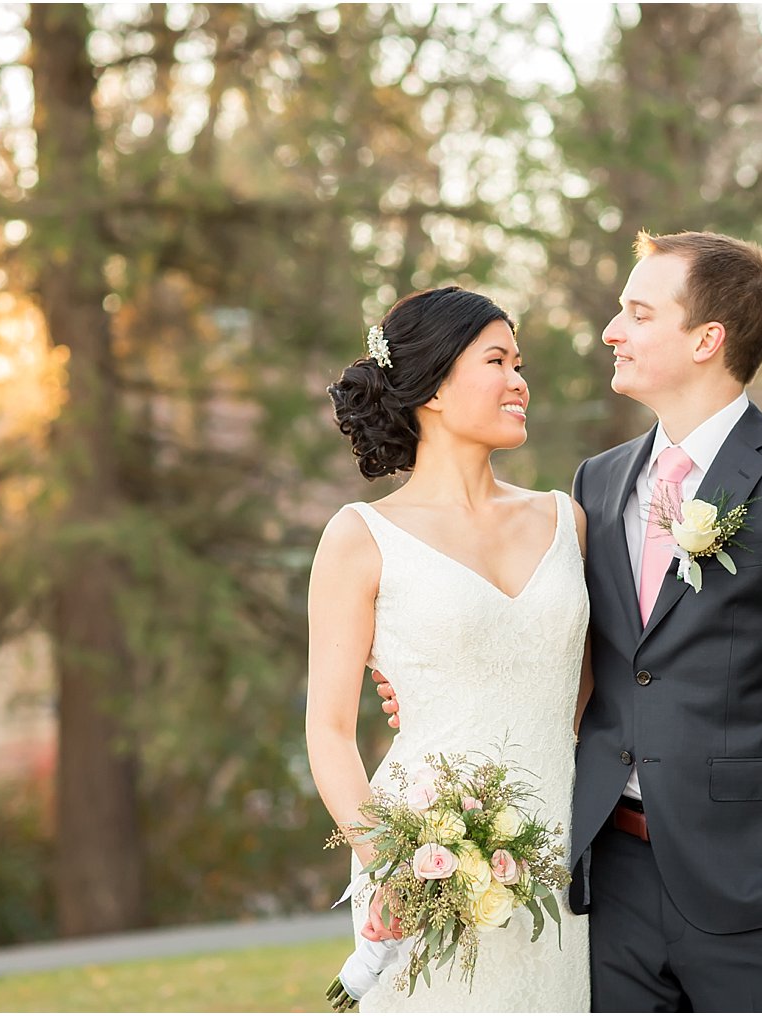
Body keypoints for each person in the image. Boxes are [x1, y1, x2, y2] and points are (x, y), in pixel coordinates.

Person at [378, 231, 762, 1012]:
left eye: (637, 312)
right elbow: (572, 648)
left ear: (706, 340)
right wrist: (440, 687)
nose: (610, 331)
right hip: (609, 880)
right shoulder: (598, 482)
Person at [304, 286, 592, 1012]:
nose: (520, 380)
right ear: (432, 385)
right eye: (497, 360)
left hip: (563, 854)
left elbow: (592, 694)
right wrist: (392, 865)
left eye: (519, 362)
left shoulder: (567, 520)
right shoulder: (359, 537)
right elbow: (330, 731)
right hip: (427, 858)